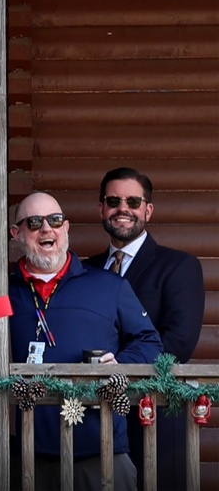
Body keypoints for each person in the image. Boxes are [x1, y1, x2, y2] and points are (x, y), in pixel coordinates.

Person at [9, 192, 163, 491]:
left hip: (101, 449)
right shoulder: (1, 292)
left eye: (54, 220)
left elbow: (150, 341)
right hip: (25, 453)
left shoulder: (109, 285)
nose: (46, 229)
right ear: (17, 233)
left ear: (66, 228)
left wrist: (121, 364)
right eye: (34, 222)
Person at [83, 168, 205, 490]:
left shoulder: (179, 267)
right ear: (101, 209)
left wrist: (120, 370)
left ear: (147, 210)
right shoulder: (86, 270)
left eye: (133, 201)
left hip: (154, 418)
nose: (123, 208)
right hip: (94, 420)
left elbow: (179, 342)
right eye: (113, 200)